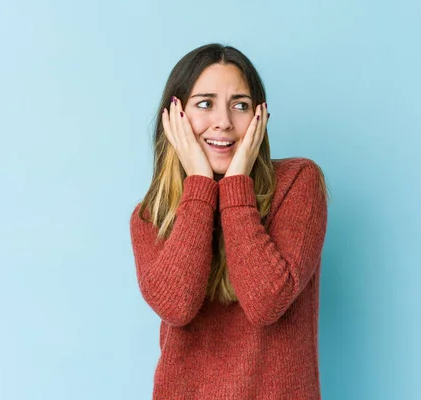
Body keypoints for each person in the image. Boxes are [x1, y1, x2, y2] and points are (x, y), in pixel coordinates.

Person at [129, 43, 329, 400]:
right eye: (205, 104)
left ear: (259, 117)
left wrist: (237, 184)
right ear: (174, 116)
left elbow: (266, 302)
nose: (223, 121)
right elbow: (177, 305)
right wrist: (201, 187)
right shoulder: (150, 216)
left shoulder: (298, 183)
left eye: (240, 105)